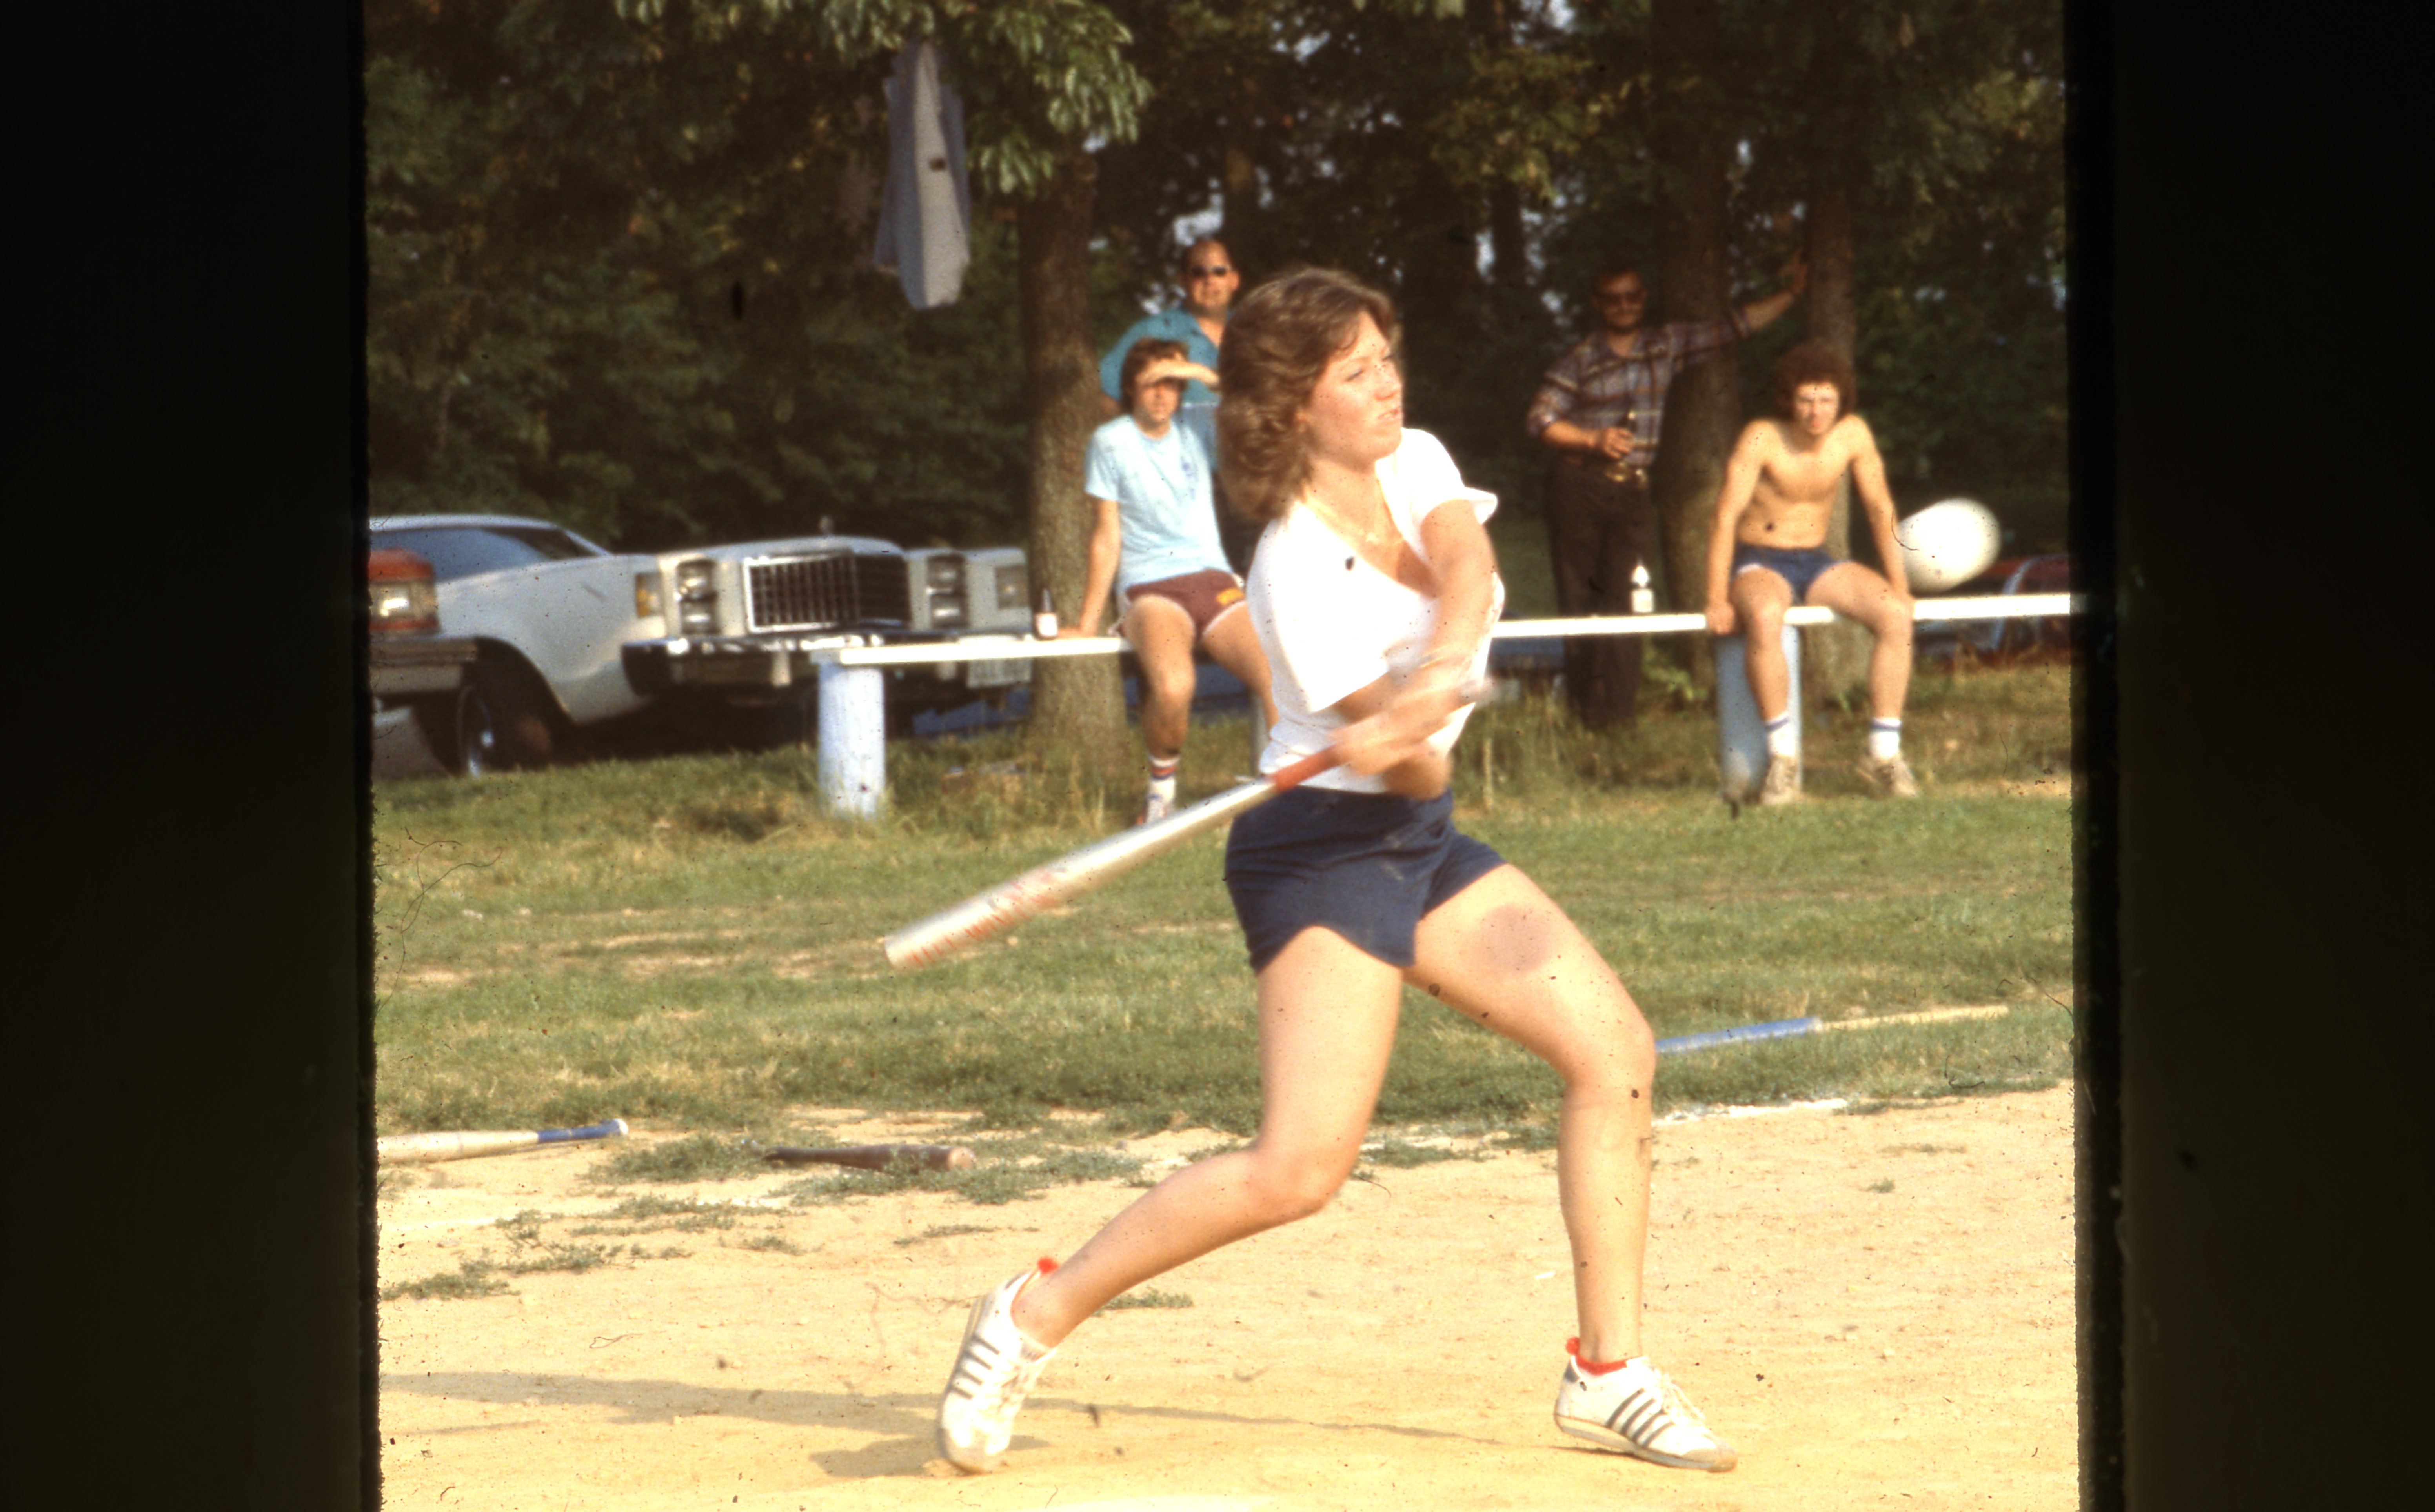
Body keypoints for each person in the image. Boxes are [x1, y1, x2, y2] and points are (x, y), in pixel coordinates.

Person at [937, 268, 1738, 1477]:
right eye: (1355, 371)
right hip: (1321, 848)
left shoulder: (1412, 458)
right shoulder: (1291, 573)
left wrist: (1433, 681)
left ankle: (1607, 1373)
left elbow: (1464, 560)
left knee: (1613, 1051)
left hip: (1419, 840)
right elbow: (1412, 766)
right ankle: (1028, 1313)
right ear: (1290, 407)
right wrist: (1400, 736)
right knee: (1299, 1168)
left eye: (1385, 357)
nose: (1387, 384)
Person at [1526, 258, 1804, 728]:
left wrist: (1793, 293)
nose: (1623, 305)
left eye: (1632, 296)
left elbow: (1734, 326)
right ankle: (1582, 714)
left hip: (1632, 489)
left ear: (1643, 298)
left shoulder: (1666, 344)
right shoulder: (1580, 359)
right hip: (1579, 487)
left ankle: (1618, 720)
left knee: (1629, 595)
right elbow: (1540, 420)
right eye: (1613, 298)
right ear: (1597, 303)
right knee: (1580, 600)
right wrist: (1592, 439)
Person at [1066, 336, 1279, 824]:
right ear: (1131, 389)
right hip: (1152, 586)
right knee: (1174, 686)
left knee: (1277, 674)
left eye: (1171, 384)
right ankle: (1160, 793)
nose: (1162, 395)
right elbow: (1106, 536)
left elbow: (1261, 403)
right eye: (1151, 384)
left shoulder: (1197, 424)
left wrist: (1197, 373)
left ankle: (1285, 798)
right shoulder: (1111, 441)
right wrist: (1086, 622)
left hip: (1212, 578)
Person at [1703, 341, 1918, 803]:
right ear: (1789, 400)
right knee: (1765, 616)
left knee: (1896, 614)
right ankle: (1782, 757)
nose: (1816, 411)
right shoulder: (1762, 436)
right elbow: (1724, 515)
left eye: (1826, 400)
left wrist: (1900, 585)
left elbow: (1880, 508)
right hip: (1760, 558)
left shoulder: (1853, 434)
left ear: (1841, 401)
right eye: (1805, 400)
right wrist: (1716, 598)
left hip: (1815, 560)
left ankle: (1882, 753)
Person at [1097, 236, 1241, 421]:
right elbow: (1107, 398)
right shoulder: (1154, 331)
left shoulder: (1252, 331)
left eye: (1219, 272)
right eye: (1198, 273)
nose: (1209, 280)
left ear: (1234, 280)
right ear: (1183, 281)